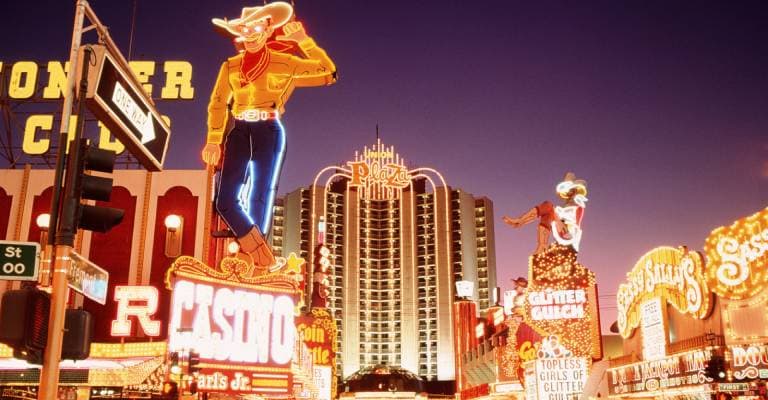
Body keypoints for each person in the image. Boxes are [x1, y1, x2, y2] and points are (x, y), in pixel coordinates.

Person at [202, 2, 337, 270]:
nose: (250, 34)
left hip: (269, 129)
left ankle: (253, 258)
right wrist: (214, 139)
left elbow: (328, 72)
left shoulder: (284, 62)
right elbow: (218, 102)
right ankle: (262, 254)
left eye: (256, 28)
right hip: (239, 130)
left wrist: (304, 41)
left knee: (260, 194)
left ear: (267, 30)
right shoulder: (230, 66)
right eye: (245, 29)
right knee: (225, 200)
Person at [503, 172, 588, 253]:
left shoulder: (579, 207)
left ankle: (520, 221)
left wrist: (561, 222)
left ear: (576, 192)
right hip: (560, 229)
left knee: (548, 206)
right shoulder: (561, 208)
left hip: (568, 233)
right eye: (568, 191)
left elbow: (576, 225)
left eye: (572, 191)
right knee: (548, 213)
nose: (570, 193)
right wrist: (558, 219)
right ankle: (542, 246)